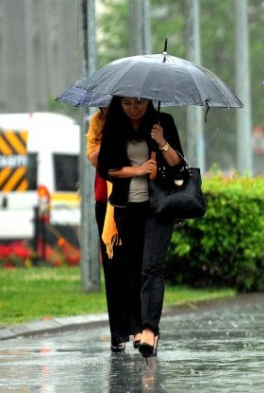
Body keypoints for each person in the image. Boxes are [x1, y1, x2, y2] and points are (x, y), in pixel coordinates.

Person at [97, 96, 184, 358]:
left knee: (152, 267)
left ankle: (149, 330)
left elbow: (178, 164)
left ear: (149, 101)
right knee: (133, 268)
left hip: (158, 208)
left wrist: (161, 142)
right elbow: (105, 169)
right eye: (127, 104)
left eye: (139, 103)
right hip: (127, 209)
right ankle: (137, 326)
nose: (133, 109)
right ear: (118, 105)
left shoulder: (163, 122)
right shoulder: (114, 126)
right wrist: (136, 171)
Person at [86, 108, 137, 352]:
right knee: (113, 265)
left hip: (137, 198)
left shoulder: (140, 118)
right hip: (105, 201)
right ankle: (118, 332)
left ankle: (139, 328)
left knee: (136, 265)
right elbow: (94, 158)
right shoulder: (98, 122)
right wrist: (112, 138)